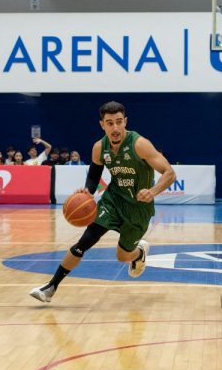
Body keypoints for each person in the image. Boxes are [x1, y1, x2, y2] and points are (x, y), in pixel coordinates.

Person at [29, 101, 175, 303]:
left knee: (122, 257)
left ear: (125, 122)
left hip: (138, 210)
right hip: (112, 201)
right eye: (110, 123)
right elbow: (93, 176)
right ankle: (50, 287)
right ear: (102, 124)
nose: (115, 128)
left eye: (119, 122)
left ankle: (138, 253)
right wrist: (87, 192)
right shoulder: (99, 147)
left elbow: (169, 173)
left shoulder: (140, 144)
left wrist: (152, 192)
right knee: (84, 242)